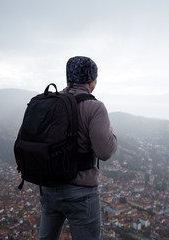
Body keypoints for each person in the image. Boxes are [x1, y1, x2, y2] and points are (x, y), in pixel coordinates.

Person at [38, 56, 118, 240]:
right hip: (81, 192)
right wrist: (111, 134)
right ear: (92, 81)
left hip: (49, 187)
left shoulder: (51, 102)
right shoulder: (94, 107)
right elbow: (104, 152)